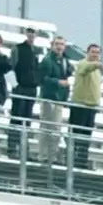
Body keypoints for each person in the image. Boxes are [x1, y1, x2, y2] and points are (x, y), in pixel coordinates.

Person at [35, 33, 70, 165]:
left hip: (59, 99)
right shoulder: (47, 60)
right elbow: (42, 78)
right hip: (49, 97)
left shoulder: (65, 61)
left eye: (62, 44)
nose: (59, 47)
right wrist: (58, 82)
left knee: (56, 128)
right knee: (46, 127)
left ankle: (52, 155)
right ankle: (44, 155)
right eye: (57, 44)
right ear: (52, 45)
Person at [67, 42, 102, 170]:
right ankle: (71, 159)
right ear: (87, 53)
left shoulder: (97, 70)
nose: (95, 55)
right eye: (93, 52)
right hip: (80, 105)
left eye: (97, 53)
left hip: (91, 107)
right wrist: (96, 65)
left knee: (86, 136)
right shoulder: (83, 63)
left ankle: (82, 161)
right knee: (76, 134)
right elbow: (86, 68)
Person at [7, 25, 39, 157]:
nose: (31, 34)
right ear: (26, 33)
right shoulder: (18, 48)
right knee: (16, 119)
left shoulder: (36, 51)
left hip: (31, 90)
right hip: (20, 88)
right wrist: (15, 85)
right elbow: (10, 67)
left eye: (33, 32)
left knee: (27, 120)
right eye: (29, 32)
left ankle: (24, 150)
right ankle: (12, 149)